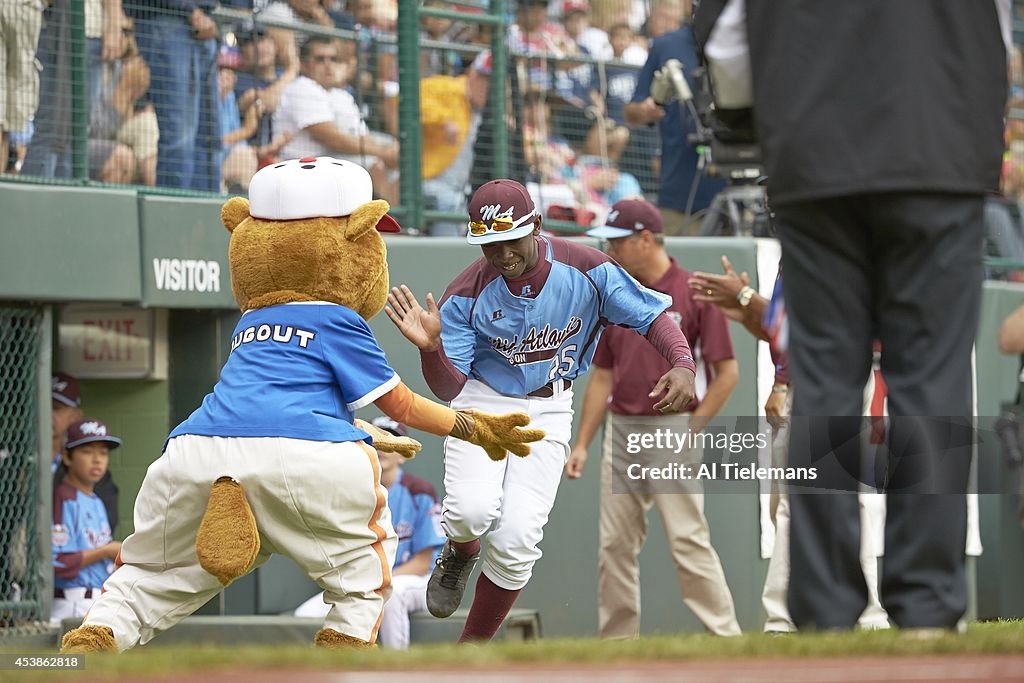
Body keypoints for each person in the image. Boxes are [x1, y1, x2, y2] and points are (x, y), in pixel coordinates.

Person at [733, 0, 1007, 630]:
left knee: (824, 384)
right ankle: (930, 608)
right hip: (938, 160)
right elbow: (992, 39)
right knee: (932, 385)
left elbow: (726, 44)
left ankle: (824, 610)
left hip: (813, 165)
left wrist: (763, 122)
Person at [385, 179, 698, 642]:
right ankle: (460, 550)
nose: (502, 252)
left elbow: (650, 317)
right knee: (471, 511)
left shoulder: (587, 267)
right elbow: (451, 389)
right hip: (482, 398)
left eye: (510, 239)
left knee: (516, 540)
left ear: (534, 227)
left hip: (550, 404)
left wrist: (683, 363)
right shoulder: (468, 292)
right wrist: (431, 349)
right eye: (489, 243)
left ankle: (470, 655)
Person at [565, 198, 741, 638]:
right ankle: (617, 646)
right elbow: (602, 377)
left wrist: (692, 428)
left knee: (687, 539)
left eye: (619, 242)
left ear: (646, 239)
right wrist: (584, 443)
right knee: (615, 545)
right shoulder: (615, 295)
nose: (612, 250)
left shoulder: (692, 291)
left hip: (672, 430)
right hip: (621, 431)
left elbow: (727, 373)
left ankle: (726, 638)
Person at [689, 257, 889, 633]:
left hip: (830, 380)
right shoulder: (800, 242)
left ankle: (795, 619)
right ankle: (853, 614)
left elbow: (818, 329)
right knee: (786, 500)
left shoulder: (834, 240)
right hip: (811, 380)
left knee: (811, 499)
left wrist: (747, 297)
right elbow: (779, 332)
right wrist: (747, 309)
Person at [294, 416, 446, 649]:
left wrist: (378, 583)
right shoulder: (352, 492)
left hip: (415, 583)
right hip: (366, 581)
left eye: (391, 440)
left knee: (393, 598)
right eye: (376, 440)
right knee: (305, 614)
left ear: (404, 453)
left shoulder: (419, 492)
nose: (382, 447)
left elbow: (423, 563)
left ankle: (393, 670)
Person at [624, 4, 724, 236]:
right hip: (679, 194)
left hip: (738, 189)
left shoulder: (742, 44)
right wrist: (645, 110)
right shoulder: (666, 45)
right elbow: (631, 111)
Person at [51, 419, 123, 625]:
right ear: (67, 456)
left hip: (98, 600)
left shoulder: (97, 501)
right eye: (87, 451)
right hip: (71, 602)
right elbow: (57, 562)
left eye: (103, 453)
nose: (97, 460)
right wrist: (106, 551)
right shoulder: (63, 498)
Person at [52, 372, 119, 536]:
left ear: (75, 416)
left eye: (56, 408)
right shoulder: (16, 459)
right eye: (42, 406)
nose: (48, 414)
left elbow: (105, 528)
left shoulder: (91, 472)